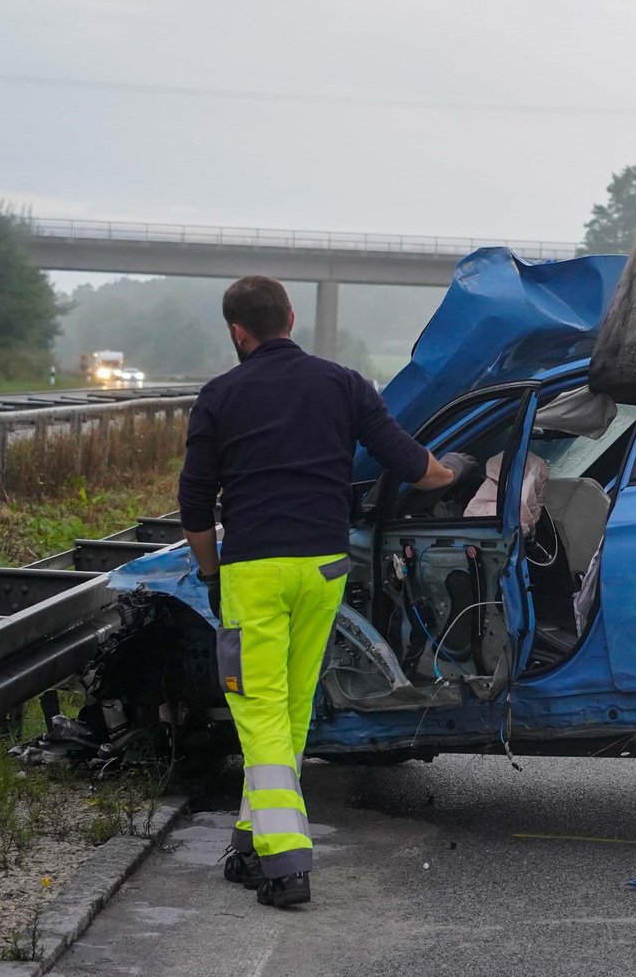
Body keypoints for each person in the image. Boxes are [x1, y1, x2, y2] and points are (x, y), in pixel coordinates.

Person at [178, 275, 471, 907]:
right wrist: (456, 471)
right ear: (289, 317)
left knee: (256, 710)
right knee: (288, 710)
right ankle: (252, 842)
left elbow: (195, 504)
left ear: (238, 331)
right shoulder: (343, 384)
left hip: (254, 572)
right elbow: (412, 464)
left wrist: (209, 575)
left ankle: (286, 867)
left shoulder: (219, 396)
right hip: (324, 570)